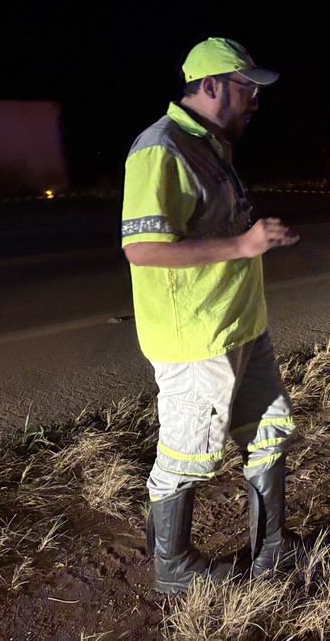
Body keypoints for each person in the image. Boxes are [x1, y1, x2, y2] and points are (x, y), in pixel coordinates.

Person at [121, 36, 300, 594]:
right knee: (187, 452)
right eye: (246, 88)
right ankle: (172, 567)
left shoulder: (212, 147)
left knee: (269, 431)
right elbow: (142, 249)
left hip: (242, 324)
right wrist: (243, 247)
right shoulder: (161, 147)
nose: (254, 100)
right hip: (196, 336)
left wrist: (249, 243)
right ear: (211, 86)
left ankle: (272, 547)